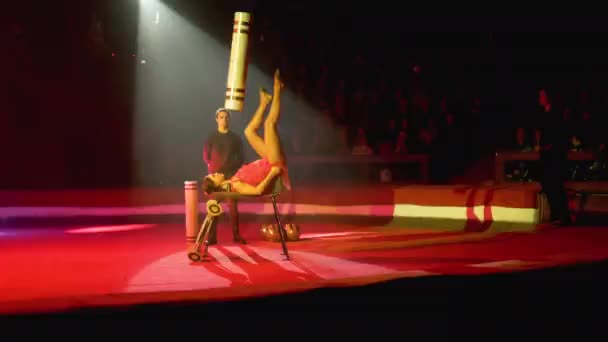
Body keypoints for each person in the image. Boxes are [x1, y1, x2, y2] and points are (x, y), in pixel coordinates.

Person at [202, 68, 291, 198]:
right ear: (217, 185)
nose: (216, 173)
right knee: (269, 124)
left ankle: (264, 102)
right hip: (273, 164)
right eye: (215, 176)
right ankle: (278, 89)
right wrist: (273, 173)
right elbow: (257, 192)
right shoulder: (235, 185)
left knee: (249, 131)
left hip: (267, 160)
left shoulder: (233, 180)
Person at [203, 108, 245, 244]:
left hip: (231, 176)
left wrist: (233, 171)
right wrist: (212, 171)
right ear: (216, 119)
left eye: (226, 117)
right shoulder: (211, 137)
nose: (224, 120)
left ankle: (236, 235)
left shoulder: (235, 138)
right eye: (221, 117)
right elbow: (206, 156)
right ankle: (212, 237)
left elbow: (241, 157)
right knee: (213, 207)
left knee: (233, 207)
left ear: (229, 119)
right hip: (215, 177)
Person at [536, 88, 571, 225]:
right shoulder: (542, 113)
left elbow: (558, 135)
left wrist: (549, 146)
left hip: (554, 155)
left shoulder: (556, 113)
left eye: (542, 95)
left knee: (556, 185)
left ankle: (563, 215)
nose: (540, 98)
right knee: (548, 184)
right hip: (545, 154)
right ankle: (555, 214)